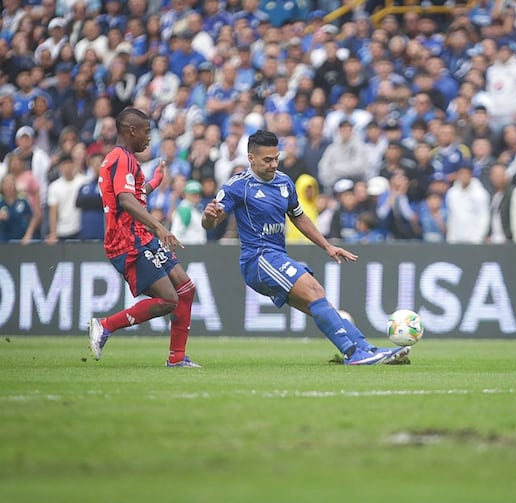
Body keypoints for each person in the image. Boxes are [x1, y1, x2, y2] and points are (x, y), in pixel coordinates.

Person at [202, 130, 409, 365]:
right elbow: (211, 222)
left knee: (321, 305)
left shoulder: (284, 182)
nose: (273, 164)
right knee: (315, 290)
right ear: (251, 158)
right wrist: (209, 217)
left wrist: (327, 246)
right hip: (258, 259)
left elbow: (298, 217)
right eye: (267, 160)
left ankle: (367, 349)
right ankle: (353, 354)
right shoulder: (237, 186)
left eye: (276, 158)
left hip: (276, 256)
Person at [89, 107, 200, 368]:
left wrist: (153, 183)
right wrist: (159, 227)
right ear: (131, 131)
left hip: (139, 235)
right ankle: (105, 325)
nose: (149, 137)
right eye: (146, 132)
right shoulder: (122, 158)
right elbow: (126, 201)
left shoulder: (123, 159)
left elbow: (132, 196)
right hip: (127, 241)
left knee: (186, 289)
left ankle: (177, 357)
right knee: (169, 299)